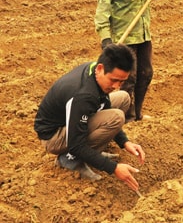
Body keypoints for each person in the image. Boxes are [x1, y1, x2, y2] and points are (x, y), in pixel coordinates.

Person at [34, 44, 145, 192]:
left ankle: (93, 151)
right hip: (54, 136)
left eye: (121, 81)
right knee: (116, 117)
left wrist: (125, 142)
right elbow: (75, 143)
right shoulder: (84, 95)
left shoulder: (94, 71)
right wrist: (113, 168)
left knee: (123, 98)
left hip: (73, 120)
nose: (116, 86)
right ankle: (69, 159)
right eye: (113, 80)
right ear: (100, 69)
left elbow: (103, 106)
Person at [95, 0, 171, 121]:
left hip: (143, 35)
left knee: (146, 74)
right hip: (124, 36)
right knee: (128, 78)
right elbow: (103, 8)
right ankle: (125, 118)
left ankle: (137, 113)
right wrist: (106, 39)